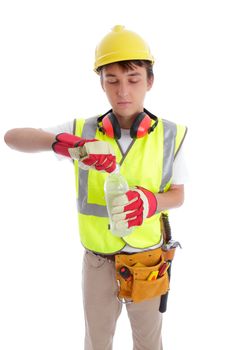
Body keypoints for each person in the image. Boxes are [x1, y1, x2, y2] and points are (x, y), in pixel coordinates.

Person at [4, 25, 188, 350]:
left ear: (150, 81)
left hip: (147, 260)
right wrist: (65, 145)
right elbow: (12, 138)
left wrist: (150, 202)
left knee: (149, 342)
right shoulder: (83, 131)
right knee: (97, 342)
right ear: (101, 82)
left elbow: (178, 195)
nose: (123, 91)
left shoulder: (172, 135)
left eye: (133, 79)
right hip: (97, 261)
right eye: (112, 80)